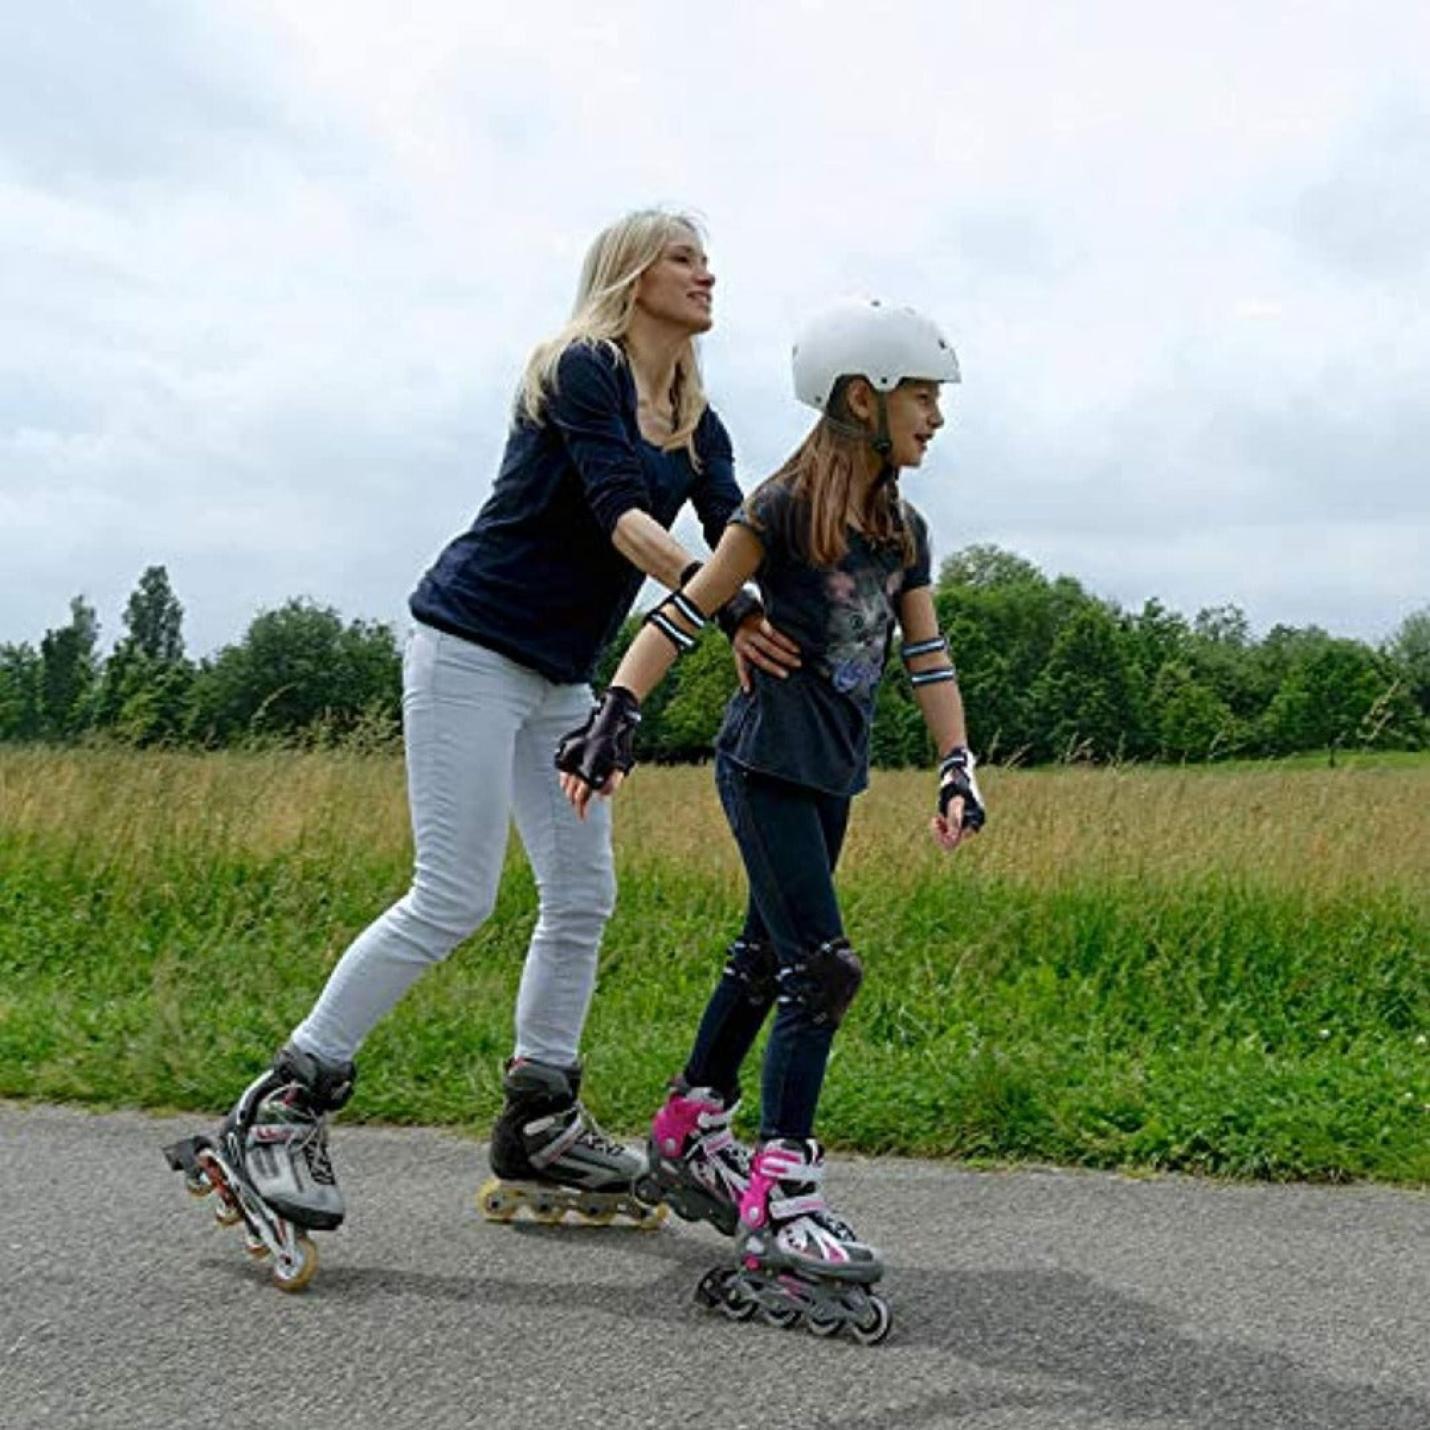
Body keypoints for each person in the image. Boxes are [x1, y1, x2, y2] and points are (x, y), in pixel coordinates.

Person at [164, 209, 801, 1288]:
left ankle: (539, 1113)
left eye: (706, 258)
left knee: (580, 893)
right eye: (685, 256)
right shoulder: (578, 371)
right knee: (452, 890)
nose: (707, 273)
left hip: (557, 675)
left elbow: (738, 531)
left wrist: (802, 606)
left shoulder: (697, 422)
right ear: (632, 270)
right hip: (467, 643)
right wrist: (729, 614)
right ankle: (282, 1102)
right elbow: (624, 523)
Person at [556, 298, 984, 1342]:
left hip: (831, 772)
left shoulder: (903, 528)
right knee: (820, 966)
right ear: (861, 396)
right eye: (920, 395)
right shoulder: (783, 503)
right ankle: (781, 1188)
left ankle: (691, 1118)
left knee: (765, 953)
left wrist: (954, 763)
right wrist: (616, 712)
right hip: (761, 765)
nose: (936, 415)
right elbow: (689, 606)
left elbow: (924, 654)